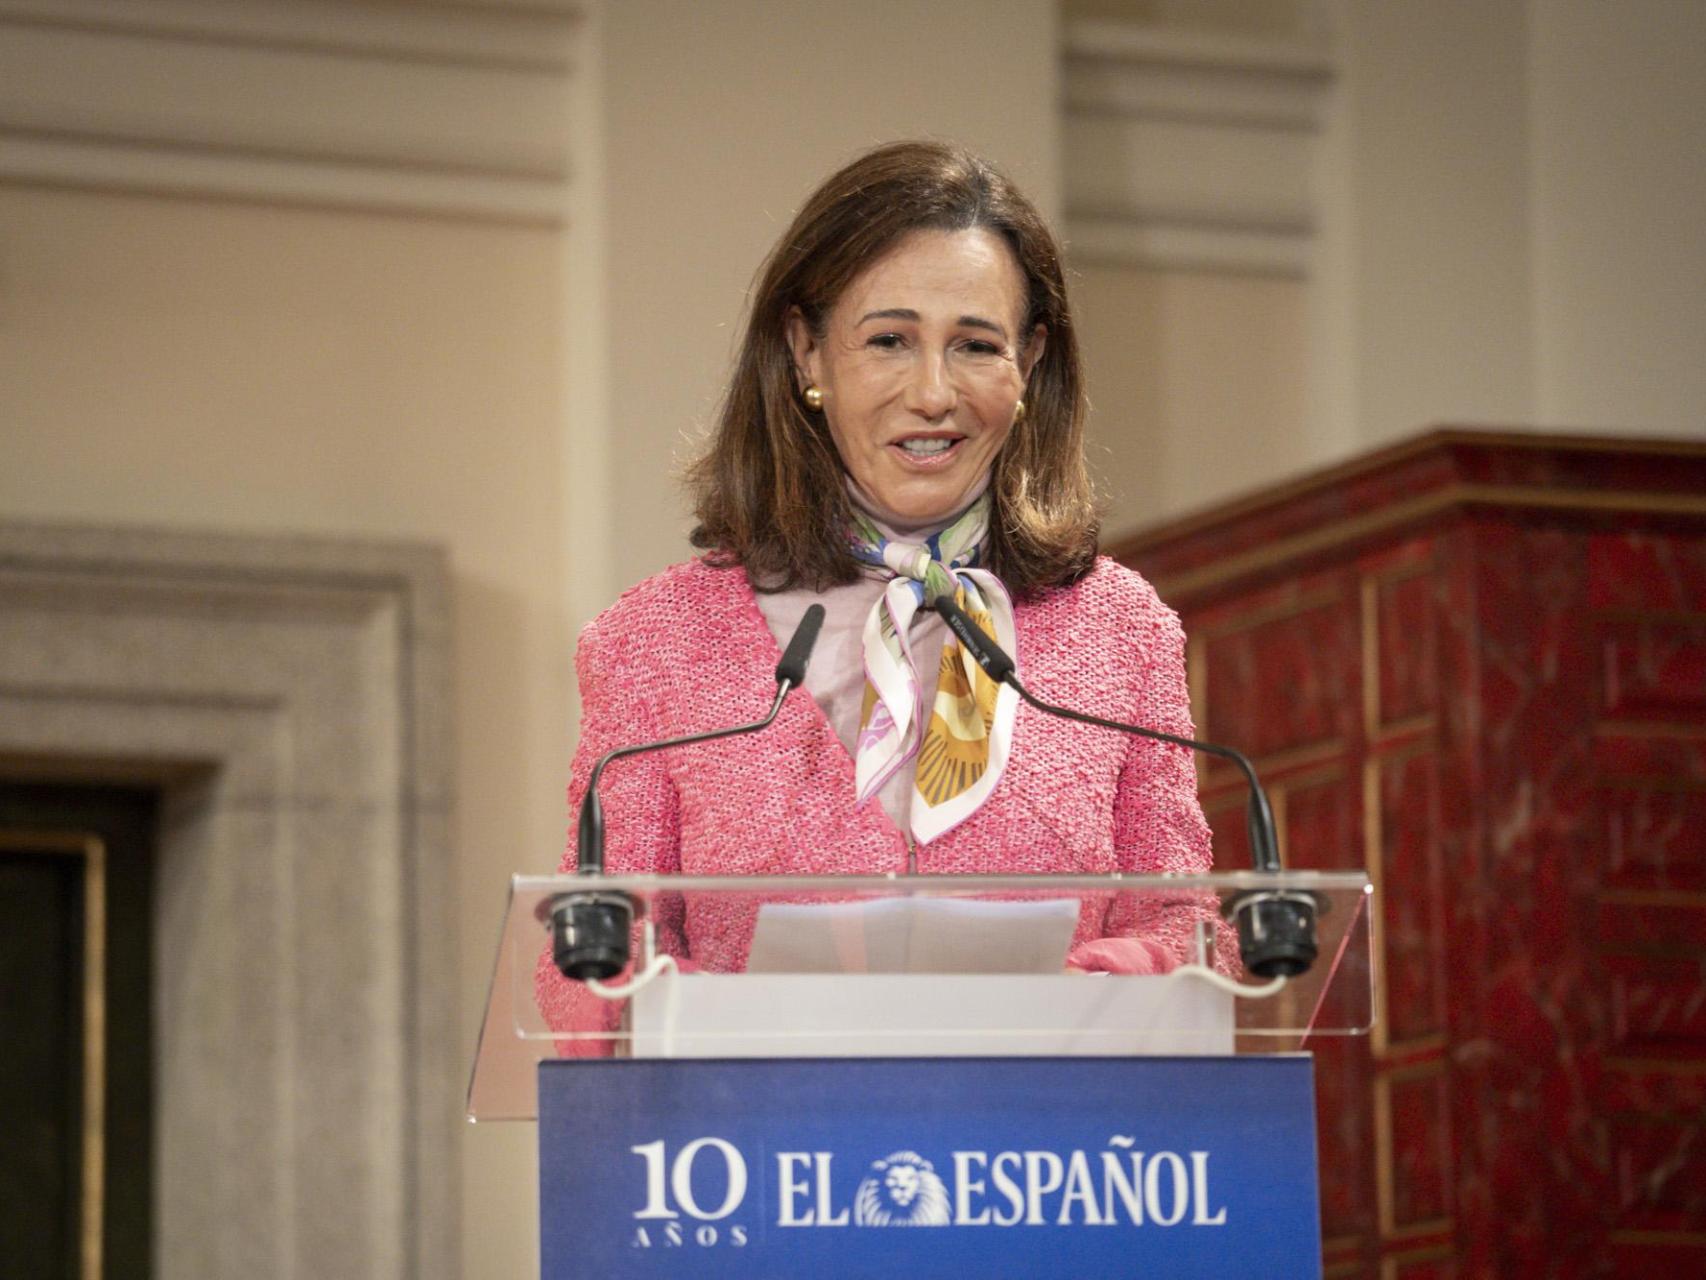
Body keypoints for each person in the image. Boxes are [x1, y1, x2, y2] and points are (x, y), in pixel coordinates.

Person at [537, 140, 1227, 1036]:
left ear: (1030, 367)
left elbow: (1189, 927)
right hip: (755, 1160)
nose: (933, 393)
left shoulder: (1122, 630)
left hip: (1049, 1154)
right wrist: (770, 1024)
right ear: (807, 354)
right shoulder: (653, 642)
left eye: (975, 346)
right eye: (890, 341)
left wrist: (1059, 996)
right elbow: (590, 955)